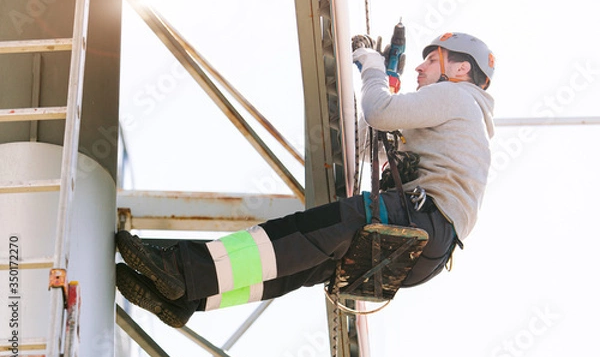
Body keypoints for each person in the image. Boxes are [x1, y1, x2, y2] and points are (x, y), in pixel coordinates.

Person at [115, 32, 496, 328]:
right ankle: (189, 300)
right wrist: (370, 82)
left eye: (432, 60)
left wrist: (374, 67)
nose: (420, 67)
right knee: (303, 266)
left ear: (461, 70)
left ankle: (182, 270)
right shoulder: (460, 123)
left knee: (304, 229)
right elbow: (367, 142)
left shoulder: (457, 96)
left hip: (419, 218)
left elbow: (379, 112)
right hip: (427, 252)